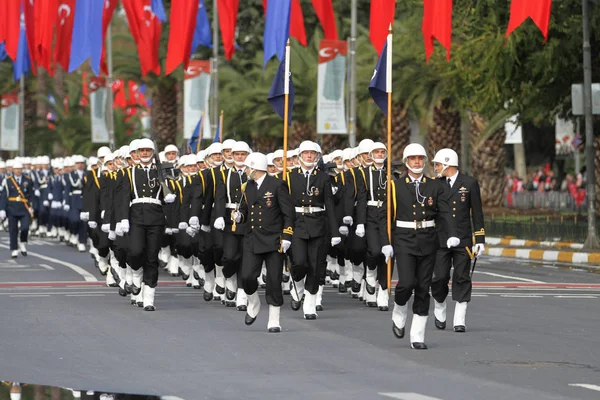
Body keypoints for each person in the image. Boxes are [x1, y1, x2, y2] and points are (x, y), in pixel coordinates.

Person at [379, 143, 459, 350]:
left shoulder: (435, 186)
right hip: (404, 239)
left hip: (428, 239)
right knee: (406, 282)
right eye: (413, 158)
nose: (417, 162)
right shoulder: (394, 186)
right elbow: (384, 217)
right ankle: (399, 308)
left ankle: (417, 334)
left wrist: (451, 234)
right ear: (406, 162)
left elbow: (445, 213)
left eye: (420, 158)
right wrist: (386, 243)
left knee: (424, 287)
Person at [114, 139, 177, 311]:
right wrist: (122, 218)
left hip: (156, 217)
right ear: (137, 152)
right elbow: (122, 198)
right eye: (141, 151)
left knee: (151, 258)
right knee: (135, 252)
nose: (144, 153)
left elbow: (170, 188)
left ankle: (148, 297)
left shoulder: (161, 170)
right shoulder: (128, 172)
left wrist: (170, 195)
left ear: (152, 153)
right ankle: (135, 275)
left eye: (148, 151)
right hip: (135, 216)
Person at [236, 152, 294, 332]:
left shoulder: (277, 184)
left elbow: (288, 213)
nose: (245, 170)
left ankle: (274, 319)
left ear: (254, 168)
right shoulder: (247, 187)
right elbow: (245, 209)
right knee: (246, 276)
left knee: (274, 280)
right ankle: (253, 303)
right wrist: (240, 216)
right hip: (252, 238)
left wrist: (287, 236)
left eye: (247, 167)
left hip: (274, 239)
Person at [430, 149, 485, 333]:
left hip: (463, 239)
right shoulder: (435, 185)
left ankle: (460, 318)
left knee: (462, 277)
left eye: (437, 164)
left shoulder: (469, 183)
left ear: (447, 164)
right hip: (440, 239)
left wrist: (480, 239)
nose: (435, 168)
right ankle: (440, 304)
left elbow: (477, 212)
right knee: (439, 278)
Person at [0, 161, 34, 258]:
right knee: (13, 230)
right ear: (13, 170)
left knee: (25, 227)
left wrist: (32, 206)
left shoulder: (28, 180)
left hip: (24, 208)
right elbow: (4, 196)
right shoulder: (8, 180)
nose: (18, 171)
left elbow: (31, 195)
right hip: (12, 208)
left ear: (22, 170)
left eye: (19, 169)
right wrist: (2, 209)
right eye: (16, 169)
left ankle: (23, 242)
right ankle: (14, 249)